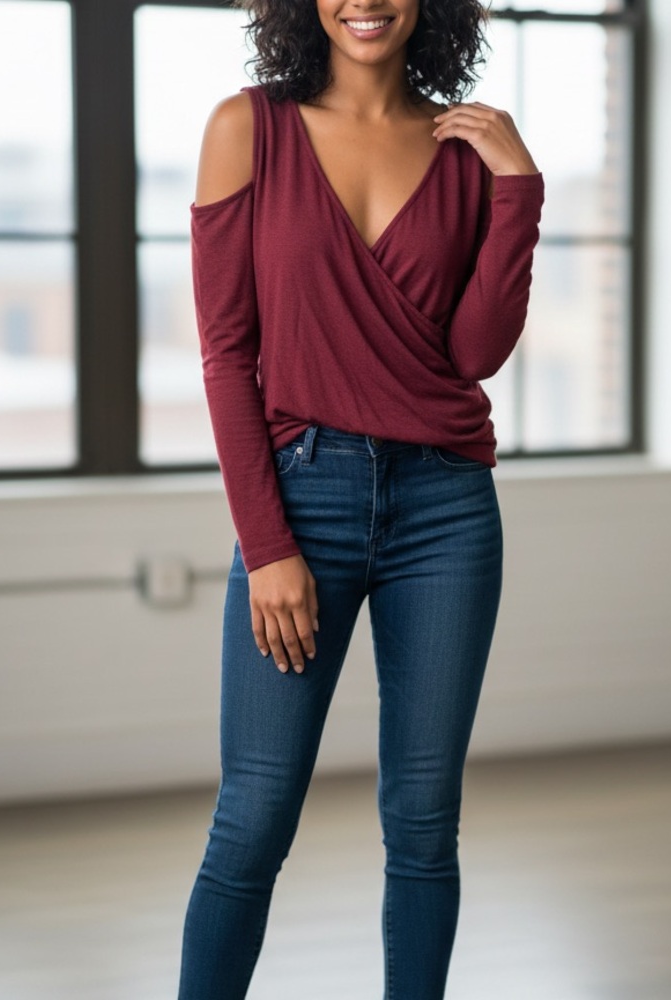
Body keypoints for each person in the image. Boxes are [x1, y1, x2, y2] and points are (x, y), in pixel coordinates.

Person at [178, 1, 543, 997]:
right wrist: (268, 547)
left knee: (423, 819)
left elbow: (470, 355)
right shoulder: (244, 128)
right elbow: (226, 355)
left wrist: (518, 189)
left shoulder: (467, 152)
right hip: (304, 502)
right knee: (253, 813)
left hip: (447, 508)